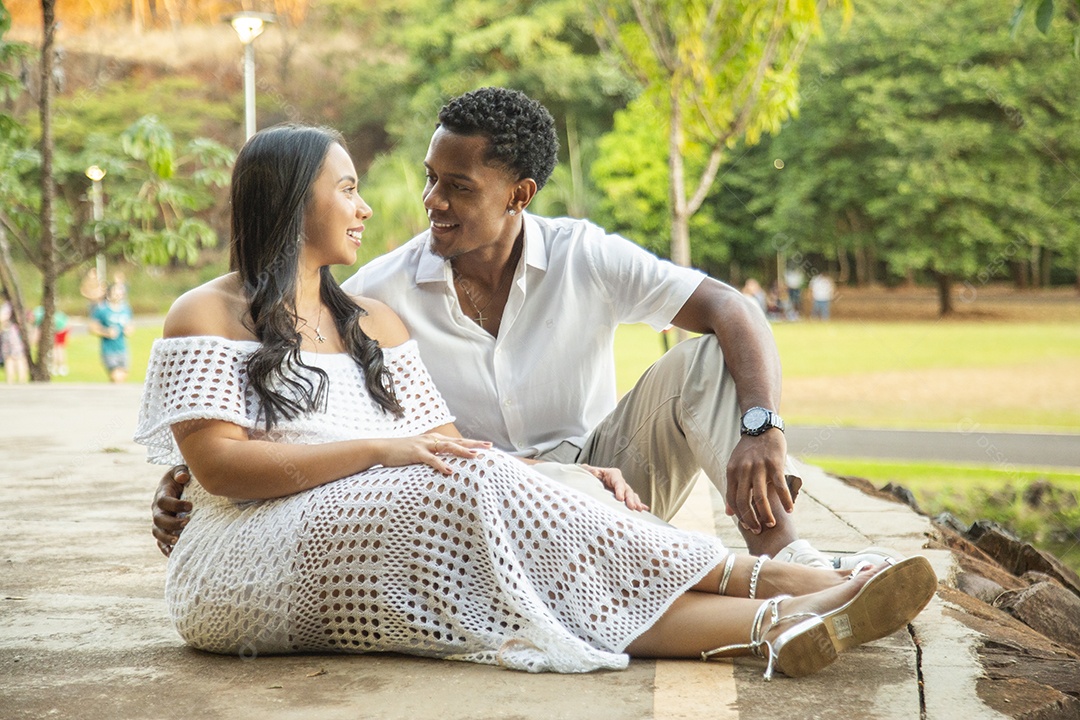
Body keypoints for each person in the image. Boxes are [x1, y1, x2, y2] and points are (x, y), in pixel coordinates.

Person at [135, 123, 936, 677]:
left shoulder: (373, 318)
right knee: (484, 509)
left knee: (522, 561)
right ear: (287, 200)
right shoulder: (211, 312)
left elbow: (446, 443)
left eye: (454, 187)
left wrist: (569, 479)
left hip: (446, 503)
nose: (383, 206)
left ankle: (779, 614)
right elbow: (223, 462)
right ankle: (783, 587)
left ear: (516, 194)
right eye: (349, 189)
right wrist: (373, 451)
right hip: (281, 550)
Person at [89, 282, 133, 382]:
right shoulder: (102, 310)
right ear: (109, 294)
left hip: (123, 349)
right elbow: (92, 328)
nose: (119, 294)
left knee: (121, 378)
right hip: (109, 350)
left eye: (120, 291)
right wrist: (106, 332)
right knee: (117, 378)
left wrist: (128, 330)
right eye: (116, 291)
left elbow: (130, 325)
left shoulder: (126, 309)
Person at [33, 305, 70, 376]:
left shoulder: (39, 316)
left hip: (58, 329)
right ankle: (61, 367)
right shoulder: (44, 311)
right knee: (60, 348)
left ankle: (56, 366)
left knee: (56, 349)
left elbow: (37, 331)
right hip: (62, 328)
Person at [1, 299, 29, 384]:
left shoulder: (8, 306)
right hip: (18, 334)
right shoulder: (19, 305)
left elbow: (2, 317)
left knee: (9, 358)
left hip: (9, 333)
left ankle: (11, 381)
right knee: (19, 357)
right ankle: (21, 380)